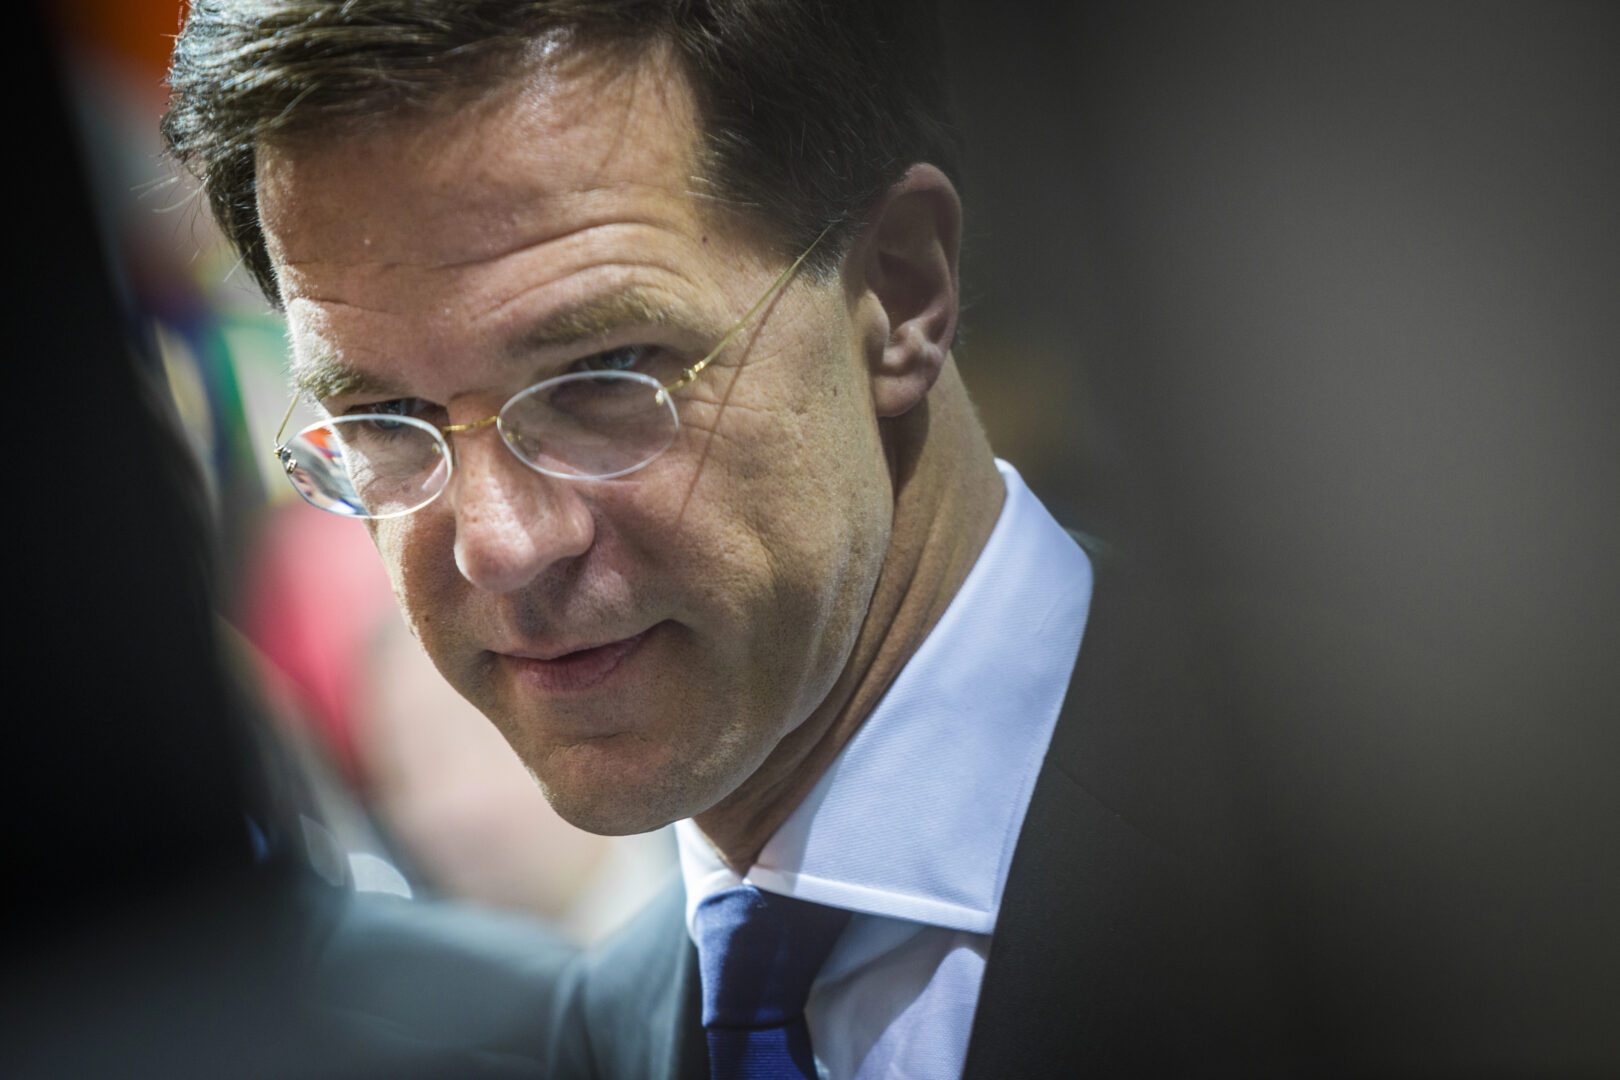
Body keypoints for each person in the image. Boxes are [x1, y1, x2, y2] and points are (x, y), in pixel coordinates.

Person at [163, 2, 1278, 1075]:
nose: (496, 546)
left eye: (601, 377)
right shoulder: (609, 1029)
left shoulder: (1341, 827)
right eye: (385, 419)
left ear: (901, 295)